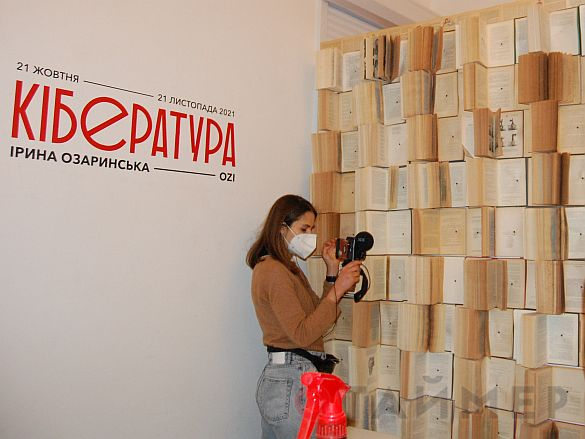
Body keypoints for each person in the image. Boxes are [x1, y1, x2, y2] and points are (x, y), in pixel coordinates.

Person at [247, 194, 362, 439]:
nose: (311, 235)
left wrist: (332, 272)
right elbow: (302, 334)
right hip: (292, 377)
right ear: (282, 229)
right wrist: (339, 287)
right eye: (304, 228)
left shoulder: (288, 268)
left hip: (293, 377)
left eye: (312, 229)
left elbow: (317, 319)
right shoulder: (273, 270)